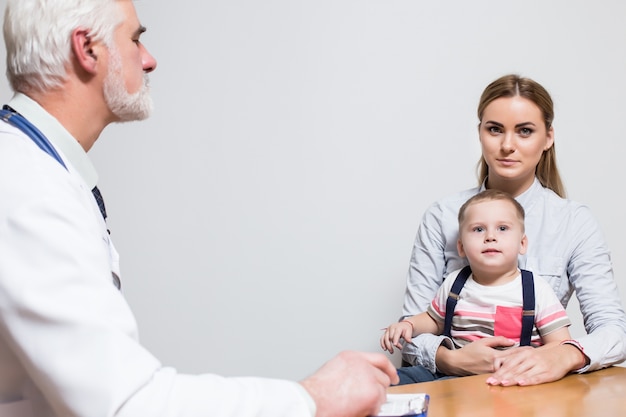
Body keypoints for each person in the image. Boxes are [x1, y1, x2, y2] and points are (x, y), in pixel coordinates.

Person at [0, 1, 398, 417]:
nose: (150, 60)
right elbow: (125, 406)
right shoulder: (28, 186)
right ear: (87, 49)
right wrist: (315, 398)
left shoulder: (37, 172)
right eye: (136, 39)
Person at [399, 73, 626, 386]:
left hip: (533, 391)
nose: (507, 145)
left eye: (525, 131)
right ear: (480, 133)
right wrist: (448, 358)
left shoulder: (573, 222)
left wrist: (564, 354)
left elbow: (613, 329)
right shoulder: (442, 216)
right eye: (495, 129)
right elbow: (409, 326)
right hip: (451, 388)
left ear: (548, 138)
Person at [381, 189, 572, 384]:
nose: (490, 236)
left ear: (522, 243)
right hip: (454, 374)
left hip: (513, 379)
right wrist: (409, 325)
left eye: (503, 228)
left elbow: (560, 343)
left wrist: (528, 360)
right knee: (391, 379)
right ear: (461, 247)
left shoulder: (536, 289)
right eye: (478, 229)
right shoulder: (455, 283)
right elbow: (434, 320)